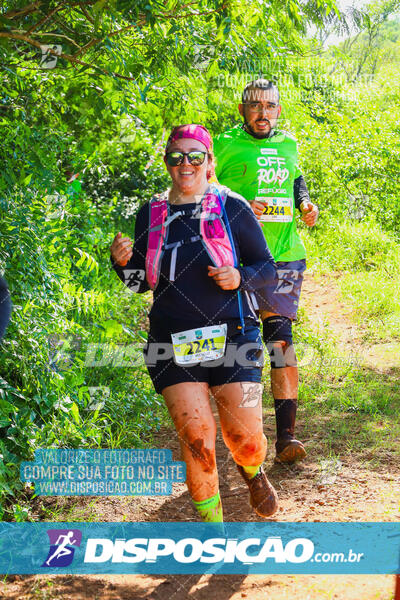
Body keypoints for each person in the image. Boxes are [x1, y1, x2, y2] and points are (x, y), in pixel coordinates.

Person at [110, 124, 279, 521]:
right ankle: (211, 533)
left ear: (209, 162)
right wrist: (122, 265)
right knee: (196, 438)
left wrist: (240, 276)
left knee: (247, 439)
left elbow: (268, 269)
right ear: (167, 161)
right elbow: (141, 284)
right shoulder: (151, 213)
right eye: (175, 156)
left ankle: (252, 470)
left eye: (194, 155)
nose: (185, 164)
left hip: (237, 337)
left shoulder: (232, 205)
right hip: (170, 343)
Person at [213, 80, 319, 464]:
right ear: (242, 110)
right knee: (241, 349)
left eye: (270, 106)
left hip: (285, 256)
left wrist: (305, 203)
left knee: (281, 341)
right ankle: (242, 435)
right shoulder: (223, 144)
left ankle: (286, 437)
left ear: (278, 110)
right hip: (237, 260)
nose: (263, 112)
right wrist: (237, 206)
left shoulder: (287, 143)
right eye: (255, 106)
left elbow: (295, 179)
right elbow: (204, 187)